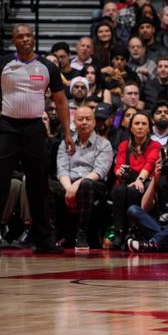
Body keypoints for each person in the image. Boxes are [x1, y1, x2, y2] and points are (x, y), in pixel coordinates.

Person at [0, 25, 75, 255]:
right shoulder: (2, 63)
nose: (25, 39)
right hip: (8, 128)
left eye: (28, 35)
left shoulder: (48, 67)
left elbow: (60, 101)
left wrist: (67, 132)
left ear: (34, 38)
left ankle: (44, 239)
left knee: (39, 185)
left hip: (35, 129)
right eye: (20, 36)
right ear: (13, 40)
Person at [57, 106, 113, 251]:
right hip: (68, 183)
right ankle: (51, 234)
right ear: (74, 122)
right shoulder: (66, 143)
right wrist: (69, 188)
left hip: (94, 183)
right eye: (80, 119)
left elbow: (100, 171)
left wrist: (77, 185)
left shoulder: (104, 144)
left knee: (87, 184)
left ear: (94, 122)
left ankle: (81, 234)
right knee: (45, 185)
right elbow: (62, 169)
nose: (84, 122)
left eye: (88, 119)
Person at [110, 111, 160, 249]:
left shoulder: (155, 145)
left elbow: (150, 163)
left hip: (144, 181)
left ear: (149, 128)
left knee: (134, 191)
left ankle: (132, 233)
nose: (140, 127)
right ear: (131, 128)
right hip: (126, 181)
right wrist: (118, 171)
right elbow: (118, 165)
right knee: (118, 190)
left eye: (144, 124)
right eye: (136, 123)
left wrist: (140, 179)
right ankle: (119, 232)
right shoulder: (124, 145)